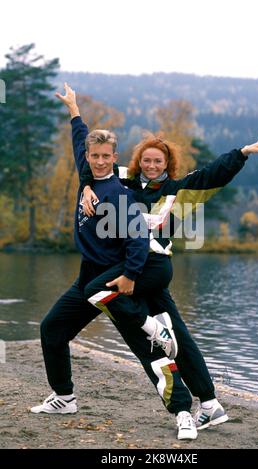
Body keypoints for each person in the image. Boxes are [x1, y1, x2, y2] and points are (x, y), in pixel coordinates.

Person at [76, 84, 258, 431]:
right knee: (181, 338)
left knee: (99, 291)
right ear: (139, 162)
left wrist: (241, 153)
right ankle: (210, 403)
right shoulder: (126, 183)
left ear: (168, 164)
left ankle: (152, 329)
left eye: (159, 161)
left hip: (152, 266)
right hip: (133, 267)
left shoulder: (179, 190)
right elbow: (93, 163)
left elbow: (213, 173)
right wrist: (88, 185)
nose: (152, 166)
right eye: (147, 161)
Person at [31, 85, 199, 441]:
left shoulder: (120, 196)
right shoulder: (87, 176)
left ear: (115, 155)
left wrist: (129, 277)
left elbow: (139, 240)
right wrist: (74, 108)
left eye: (107, 156)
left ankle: (183, 411)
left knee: (147, 351)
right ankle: (64, 397)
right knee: (51, 330)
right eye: (95, 156)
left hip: (112, 283)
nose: (100, 160)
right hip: (87, 280)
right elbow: (79, 140)